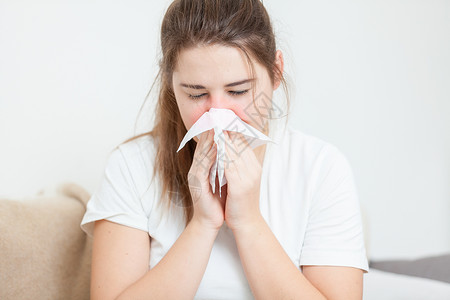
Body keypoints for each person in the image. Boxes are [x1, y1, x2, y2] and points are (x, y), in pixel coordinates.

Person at [80, 0, 369, 299]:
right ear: (171, 84)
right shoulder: (132, 166)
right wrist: (203, 225)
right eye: (196, 94)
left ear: (276, 72)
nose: (217, 114)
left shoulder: (321, 168)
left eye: (238, 91)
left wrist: (248, 221)